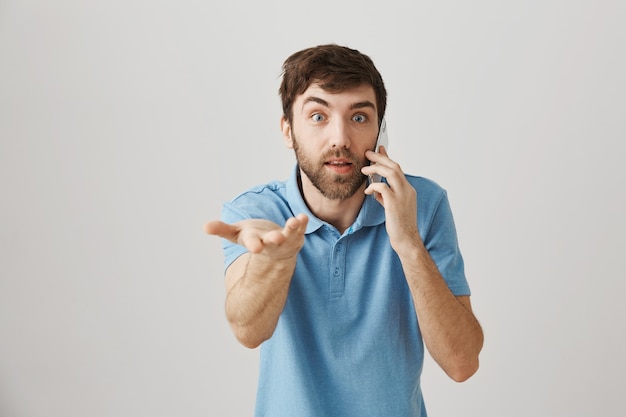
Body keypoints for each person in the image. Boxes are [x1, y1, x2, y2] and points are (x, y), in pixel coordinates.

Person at [205, 44, 483, 417]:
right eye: (318, 116)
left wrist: (408, 244)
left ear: (380, 132)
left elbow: (462, 363)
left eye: (358, 118)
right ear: (288, 130)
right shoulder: (257, 212)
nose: (339, 138)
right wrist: (274, 263)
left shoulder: (423, 203)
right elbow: (247, 331)